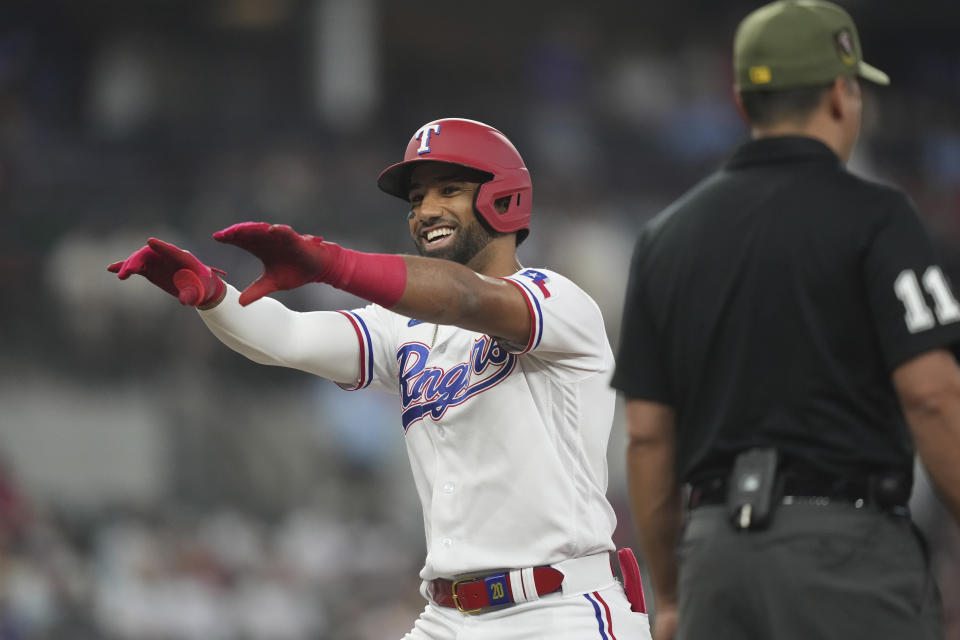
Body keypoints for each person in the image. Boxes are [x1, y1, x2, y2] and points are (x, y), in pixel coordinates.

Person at [109, 118, 652, 640]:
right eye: (417, 199)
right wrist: (211, 295)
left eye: (449, 190)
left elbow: (466, 296)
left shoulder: (558, 301)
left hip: (558, 613)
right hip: (448, 616)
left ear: (504, 198)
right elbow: (289, 338)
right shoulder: (408, 330)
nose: (426, 210)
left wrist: (333, 264)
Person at [610, 2, 960, 639]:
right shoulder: (881, 218)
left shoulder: (664, 238)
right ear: (841, 93)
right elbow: (933, 395)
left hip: (715, 557)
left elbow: (647, 436)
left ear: (743, 104)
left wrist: (671, 594)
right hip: (847, 553)